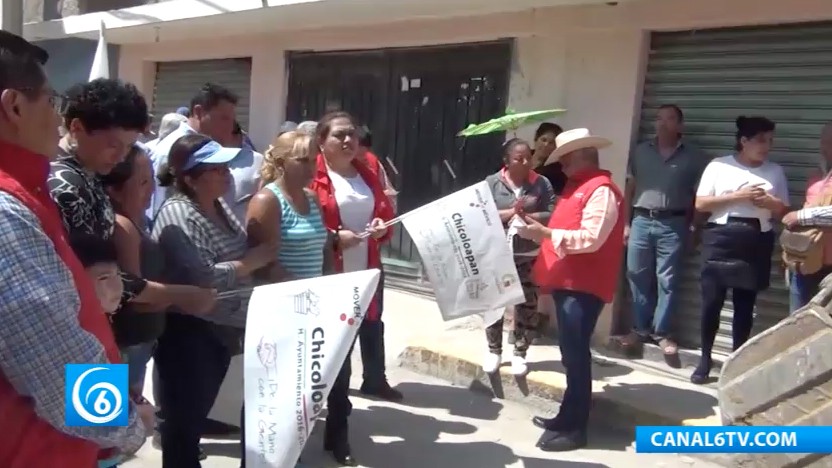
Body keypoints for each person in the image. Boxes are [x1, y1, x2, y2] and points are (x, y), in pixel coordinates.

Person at [0, 30, 153, 468]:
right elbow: (56, 368)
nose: (57, 115)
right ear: (14, 106)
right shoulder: (6, 211)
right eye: (51, 101)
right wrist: (124, 422)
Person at [151, 133, 274, 468]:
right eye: (216, 169)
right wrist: (251, 262)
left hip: (219, 331)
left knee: (193, 421)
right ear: (190, 178)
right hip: (191, 333)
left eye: (226, 167)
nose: (227, 173)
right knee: (183, 430)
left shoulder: (219, 207)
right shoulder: (179, 213)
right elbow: (202, 277)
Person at [516, 128, 623, 452]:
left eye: (564, 159)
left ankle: (576, 428)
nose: (559, 166)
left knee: (576, 357)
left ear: (580, 157)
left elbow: (591, 238)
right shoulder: (579, 187)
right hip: (569, 282)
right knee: (570, 355)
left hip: (584, 286)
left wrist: (545, 234)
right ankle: (566, 417)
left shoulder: (601, 190)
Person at [309, 111, 395, 465]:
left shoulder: (367, 172)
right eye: (339, 135)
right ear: (321, 142)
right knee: (334, 361)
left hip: (365, 277)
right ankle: (334, 431)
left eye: (352, 135)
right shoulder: (310, 175)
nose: (348, 141)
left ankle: (336, 428)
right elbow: (297, 224)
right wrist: (332, 239)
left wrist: (380, 227)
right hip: (325, 281)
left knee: (344, 355)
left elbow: (386, 218)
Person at [243, 131, 331, 468]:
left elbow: (321, 247)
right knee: (276, 395)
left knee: (302, 396)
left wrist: (326, 292)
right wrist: (303, 297)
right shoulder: (267, 201)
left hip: (311, 309)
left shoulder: (311, 197)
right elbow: (265, 263)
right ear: (280, 162)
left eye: (314, 159)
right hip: (282, 311)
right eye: (303, 159)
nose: (312, 167)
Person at [690, 116, 788, 385]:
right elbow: (701, 204)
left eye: (770, 140)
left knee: (745, 308)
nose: (766, 146)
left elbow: (783, 211)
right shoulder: (719, 166)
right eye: (760, 140)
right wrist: (738, 196)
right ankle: (705, 358)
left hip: (756, 240)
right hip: (720, 238)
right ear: (743, 141)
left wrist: (771, 202)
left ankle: (736, 362)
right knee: (711, 303)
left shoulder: (775, 171)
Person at [619, 104, 708, 359]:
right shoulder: (640, 152)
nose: (662, 123)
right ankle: (639, 329)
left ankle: (662, 333)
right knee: (636, 275)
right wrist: (626, 223)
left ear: (680, 125)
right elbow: (630, 188)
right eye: (659, 119)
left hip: (674, 223)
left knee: (667, 279)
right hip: (641, 220)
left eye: (669, 119)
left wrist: (695, 226)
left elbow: (699, 196)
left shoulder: (693, 157)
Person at [483, 138, 555, 376]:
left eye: (528, 158)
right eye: (518, 158)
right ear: (506, 160)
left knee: (527, 304)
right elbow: (483, 213)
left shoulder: (541, 183)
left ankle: (520, 353)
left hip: (528, 252)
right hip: (498, 252)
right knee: (495, 303)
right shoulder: (492, 183)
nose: (525, 162)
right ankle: (494, 350)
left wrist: (528, 215)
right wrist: (511, 212)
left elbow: (552, 213)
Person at [147, 83, 262, 226]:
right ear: (199, 112)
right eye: (224, 118)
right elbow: (160, 214)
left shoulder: (211, 148)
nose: (230, 127)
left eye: (232, 120)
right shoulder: (169, 151)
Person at [354, 125, 402, 399]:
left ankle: (374, 378)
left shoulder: (372, 166)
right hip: (334, 260)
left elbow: (388, 202)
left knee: (372, 318)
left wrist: (382, 225)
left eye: (356, 143)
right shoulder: (322, 170)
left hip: (370, 257)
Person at [782, 122, 832, 312]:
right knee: (798, 320)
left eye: (830, 142)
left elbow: (800, 216)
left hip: (830, 269)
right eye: (825, 142)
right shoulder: (816, 177)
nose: (825, 148)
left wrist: (802, 216)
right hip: (805, 264)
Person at [530, 122, 567, 195]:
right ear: (536, 139)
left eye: (551, 143)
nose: (546, 145)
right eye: (543, 140)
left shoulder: (557, 171)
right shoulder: (523, 156)